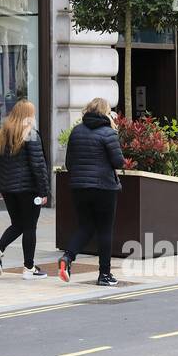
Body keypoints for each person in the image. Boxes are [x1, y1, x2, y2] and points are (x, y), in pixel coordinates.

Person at [58, 96, 125, 288]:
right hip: (104, 187)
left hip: (79, 187)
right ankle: (104, 274)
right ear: (106, 112)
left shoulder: (76, 131)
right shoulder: (108, 132)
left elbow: (69, 163)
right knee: (105, 231)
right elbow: (118, 162)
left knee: (85, 227)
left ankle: (68, 257)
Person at [0, 100, 50, 280]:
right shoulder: (30, 134)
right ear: (28, 116)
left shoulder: (3, 134)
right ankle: (29, 268)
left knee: (18, 224)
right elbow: (38, 165)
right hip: (29, 190)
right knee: (29, 227)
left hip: (8, 189)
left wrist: (0, 186)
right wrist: (44, 191)